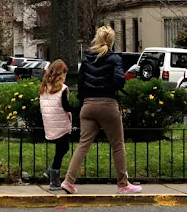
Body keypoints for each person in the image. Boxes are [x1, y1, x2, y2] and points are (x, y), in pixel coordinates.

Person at [61, 26, 142, 194]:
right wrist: (108, 87)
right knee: (118, 145)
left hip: (88, 106)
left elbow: (81, 83)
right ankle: (123, 183)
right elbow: (119, 80)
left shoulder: (86, 58)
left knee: (83, 145)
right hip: (107, 104)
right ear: (111, 41)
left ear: (96, 39)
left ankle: (68, 181)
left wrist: (85, 99)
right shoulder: (114, 59)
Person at [39, 59, 72, 190]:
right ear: (61, 74)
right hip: (60, 123)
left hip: (49, 123)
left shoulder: (44, 87)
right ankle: (54, 180)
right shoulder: (62, 89)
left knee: (62, 148)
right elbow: (66, 106)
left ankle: (50, 172)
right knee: (62, 149)